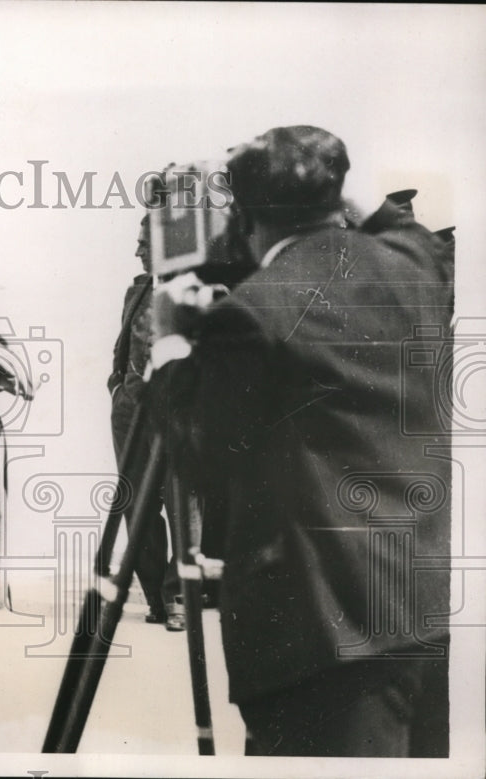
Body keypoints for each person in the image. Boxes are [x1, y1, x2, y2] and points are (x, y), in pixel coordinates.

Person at [151, 126, 453, 756]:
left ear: (245, 215)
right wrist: (324, 166)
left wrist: (172, 343)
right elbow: (408, 230)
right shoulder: (415, 268)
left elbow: (203, 460)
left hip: (316, 640)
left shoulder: (254, 313)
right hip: (416, 619)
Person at [107, 214, 182, 629]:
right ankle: (157, 598)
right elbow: (122, 346)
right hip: (129, 414)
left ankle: (177, 599)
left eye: (144, 243)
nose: (137, 250)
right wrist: (117, 386)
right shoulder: (136, 290)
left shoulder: (193, 291)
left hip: (175, 417)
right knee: (137, 507)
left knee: (182, 504)